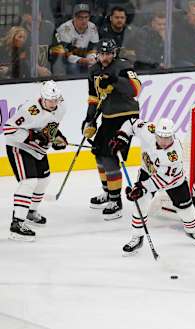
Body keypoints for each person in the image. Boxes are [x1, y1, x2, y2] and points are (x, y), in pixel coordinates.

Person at [110, 118, 195, 255]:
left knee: (186, 209)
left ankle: (193, 231)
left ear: (173, 135)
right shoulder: (148, 130)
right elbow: (130, 122)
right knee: (140, 202)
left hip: (174, 181)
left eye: (167, 138)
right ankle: (137, 237)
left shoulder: (174, 155)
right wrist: (122, 136)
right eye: (160, 137)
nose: (163, 141)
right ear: (155, 133)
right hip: (148, 172)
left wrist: (141, 188)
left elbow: (163, 180)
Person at [82, 38, 142, 220]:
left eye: (109, 53)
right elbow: (93, 98)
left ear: (114, 53)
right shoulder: (93, 71)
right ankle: (108, 192)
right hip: (108, 118)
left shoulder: (124, 66)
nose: (105, 57)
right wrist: (89, 119)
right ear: (97, 54)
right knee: (98, 152)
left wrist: (116, 80)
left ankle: (116, 202)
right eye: (102, 53)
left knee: (109, 155)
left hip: (127, 117)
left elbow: (136, 89)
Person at [3, 81, 67, 241]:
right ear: (42, 98)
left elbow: (51, 126)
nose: (53, 104)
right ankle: (17, 224)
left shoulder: (61, 106)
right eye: (50, 101)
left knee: (43, 180)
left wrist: (56, 138)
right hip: (19, 147)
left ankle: (31, 211)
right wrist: (32, 136)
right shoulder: (29, 110)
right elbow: (8, 130)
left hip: (38, 150)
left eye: (55, 100)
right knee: (29, 181)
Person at [49, 3, 99, 75]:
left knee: (95, 66)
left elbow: (94, 48)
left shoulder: (92, 27)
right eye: (80, 17)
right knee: (73, 68)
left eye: (86, 17)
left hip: (85, 58)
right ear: (74, 17)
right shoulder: (65, 28)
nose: (84, 20)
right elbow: (64, 54)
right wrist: (80, 60)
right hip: (67, 61)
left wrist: (91, 58)